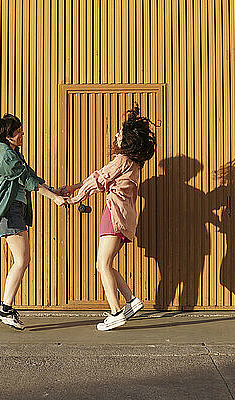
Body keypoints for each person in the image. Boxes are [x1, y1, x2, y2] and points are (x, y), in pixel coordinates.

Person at [60, 104, 157, 331]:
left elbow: (99, 180)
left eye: (120, 134)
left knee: (102, 264)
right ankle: (131, 301)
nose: (116, 135)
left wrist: (75, 198)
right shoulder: (133, 164)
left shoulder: (122, 160)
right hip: (125, 217)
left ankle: (115, 313)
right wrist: (75, 187)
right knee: (105, 263)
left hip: (113, 215)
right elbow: (100, 178)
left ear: (128, 140)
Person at [0, 114, 67, 330]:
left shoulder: (14, 153)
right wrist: (54, 198)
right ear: (8, 136)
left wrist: (52, 190)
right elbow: (27, 180)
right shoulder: (7, 157)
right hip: (9, 211)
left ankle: (5, 307)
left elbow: (30, 175)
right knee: (21, 260)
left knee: (23, 259)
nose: (22, 134)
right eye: (18, 131)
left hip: (16, 210)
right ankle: (4, 308)